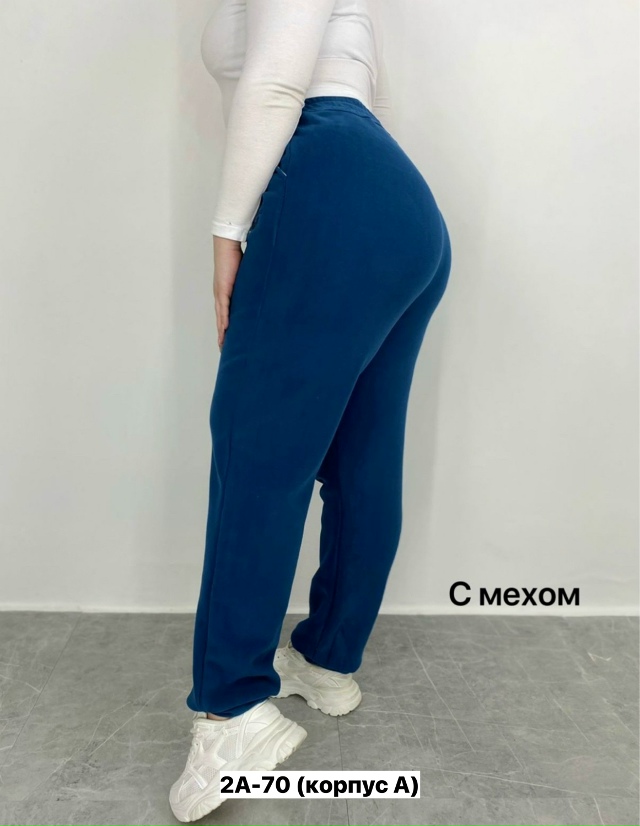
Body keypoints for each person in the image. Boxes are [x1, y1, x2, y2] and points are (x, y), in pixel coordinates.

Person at [170, 0, 452, 820]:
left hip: (325, 179)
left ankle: (232, 711)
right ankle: (326, 660)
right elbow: (366, 90)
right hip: (398, 204)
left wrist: (228, 233)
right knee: (362, 453)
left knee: (257, 451)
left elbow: (275, 81)